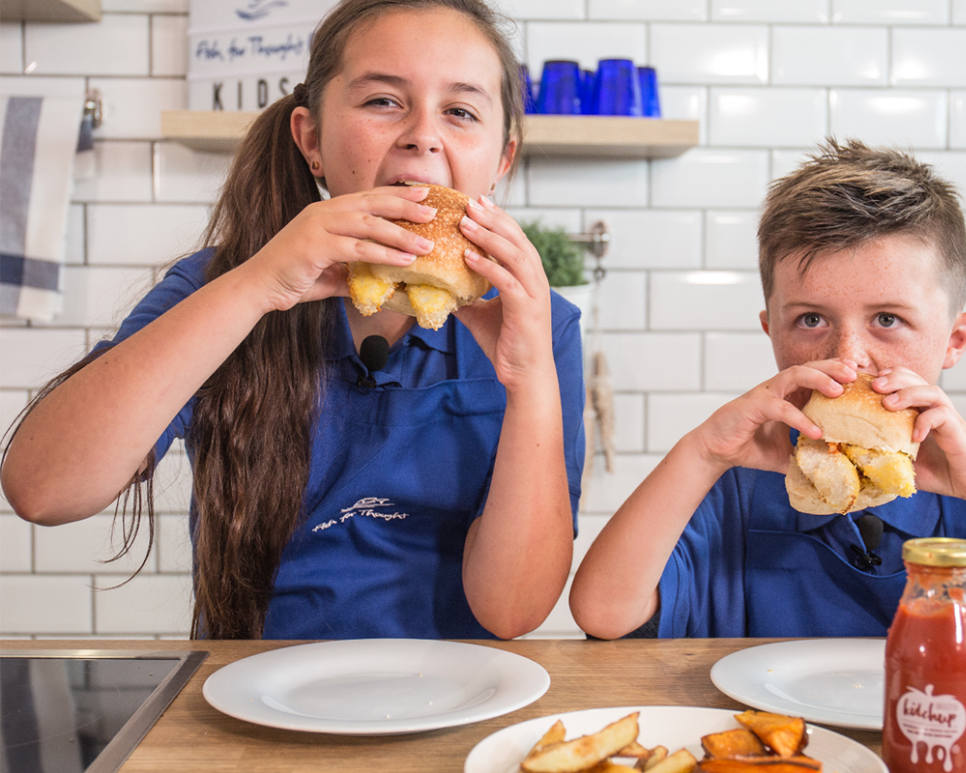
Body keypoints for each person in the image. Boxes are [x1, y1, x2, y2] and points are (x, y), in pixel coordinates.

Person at [0, 0, 584, 641]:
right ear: (312, 140)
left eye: (461, 111)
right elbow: (44, 490)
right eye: (383, 101)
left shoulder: (537, 326)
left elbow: (513, 611)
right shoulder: (220, 285)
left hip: (456, 708)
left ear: (501, 160)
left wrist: (530, 379)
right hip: (250, 703)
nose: (424, 134)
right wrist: (256, 286)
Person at [569, 138, 966, 674]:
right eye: (811, 319)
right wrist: (700, 453)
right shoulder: (732, 486)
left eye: (888, 319)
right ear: (770, 332)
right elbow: (602, 612)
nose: (849, 359)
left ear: (955, 339)